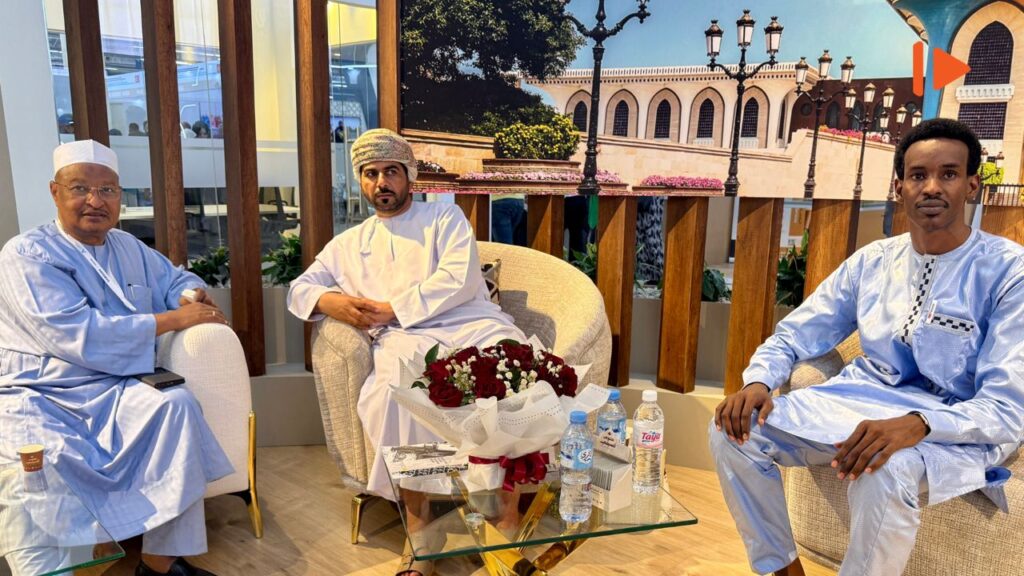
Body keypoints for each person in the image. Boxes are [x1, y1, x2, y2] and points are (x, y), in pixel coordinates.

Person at [710, 118, 1024, 576]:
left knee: (885, 468)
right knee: (731, 431)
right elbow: (795, 333)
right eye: (918, 175)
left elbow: (1006, 408)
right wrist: (758, 381)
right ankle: (783, 570)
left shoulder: (1009, 271)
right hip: (862, 402)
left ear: (972, 185)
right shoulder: (874, 262)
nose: (931, 187)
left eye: (949, 174)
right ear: (899, 187)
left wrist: (918, 424)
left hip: (955, 424)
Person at [287, 129, 526, 576]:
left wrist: (390, 308)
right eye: (371, 173)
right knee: (398, 389)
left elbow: (457, 279)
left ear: (409, 175)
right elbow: (299, 289)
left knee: (511, 369)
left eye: (391, 171)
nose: (381, 182)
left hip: (470, 322)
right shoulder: (349, 243)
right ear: (361, 180)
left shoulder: (443, 217)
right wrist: (329, 301)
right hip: (402, 337)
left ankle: (501, 516)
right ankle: (421, 528)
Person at [0, 140, 233, 576]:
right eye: (80, 188)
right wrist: (172, 319)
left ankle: (160, 563)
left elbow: (175, 278)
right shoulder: (26, 253)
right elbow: (75, 333)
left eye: (107, 190)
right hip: (42, 390)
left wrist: (188, 295)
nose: (95, 201)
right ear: (55, 192)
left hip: (113, 385)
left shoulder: (127, 246)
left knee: (177, 406)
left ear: (119, 196)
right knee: (39, 463)